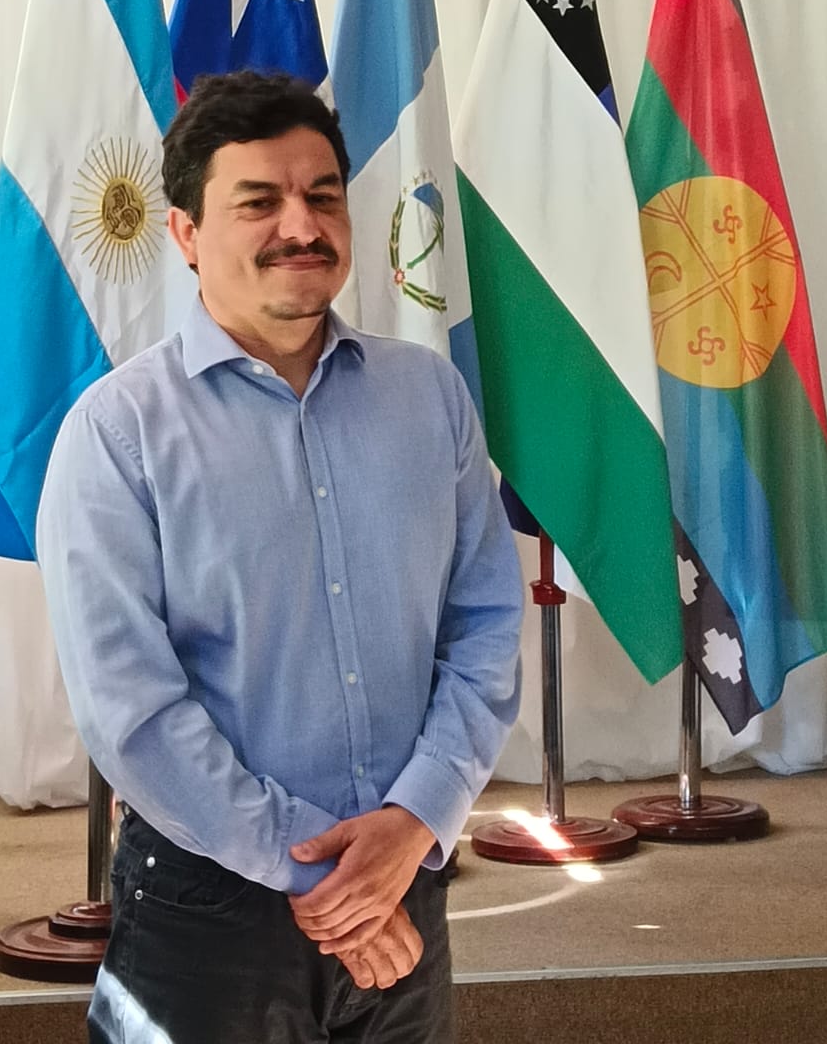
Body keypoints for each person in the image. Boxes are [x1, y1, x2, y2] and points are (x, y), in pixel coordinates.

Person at [36, 70, 524, 1044]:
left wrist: (416, 820)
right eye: (258, 201)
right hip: (208, 907)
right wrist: (323, 873)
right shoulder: (118, 433)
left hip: (403, 879)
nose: (301, 225)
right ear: (185, 233)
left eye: (323, 196)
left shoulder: (429, 398)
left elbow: (486, 629)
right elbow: (131, 709)